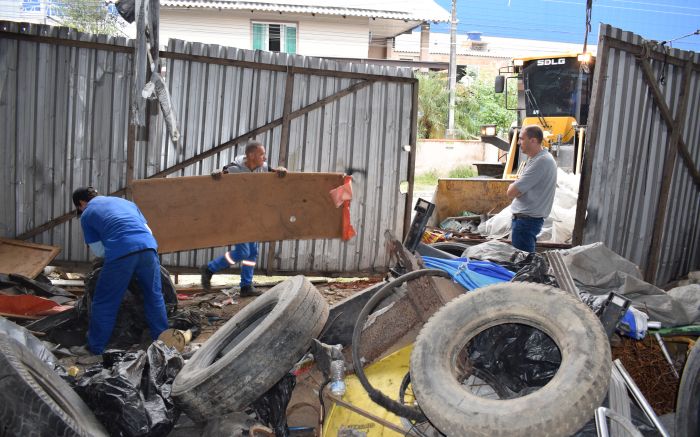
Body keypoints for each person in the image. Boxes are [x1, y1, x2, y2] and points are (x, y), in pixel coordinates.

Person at [72, 187, 169, 355]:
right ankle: (162, 344)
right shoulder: (126, 203)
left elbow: (99, 251)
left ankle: (95, 348)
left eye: (79, 208)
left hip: (121, 252)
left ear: (81, 203)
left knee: (105, 301)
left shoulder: (87, 213)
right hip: (148, 248)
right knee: (154, 296)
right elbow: (148, 230)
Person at [200, 140, 286, 296]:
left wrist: (280, 170)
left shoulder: (264, 168)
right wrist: (216, 172)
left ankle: (246, 286)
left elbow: (276, 172)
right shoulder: (234, 168)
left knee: (252, 252)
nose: (265, 158)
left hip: (254, 216)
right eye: (262, 154)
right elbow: (220, 173)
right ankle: (209, 268)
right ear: (251, 155)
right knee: (243, 252)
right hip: (237, 217)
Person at [506, 125, 557, 253]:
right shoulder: (537, 159)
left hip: (526, 223)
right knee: (524, 263)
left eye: (522, 139)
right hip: (526, 221)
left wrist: (514, 186)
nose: (518, 142)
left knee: (523, 265)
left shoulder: (542, 161)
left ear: (533, 140)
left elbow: (511, 192)